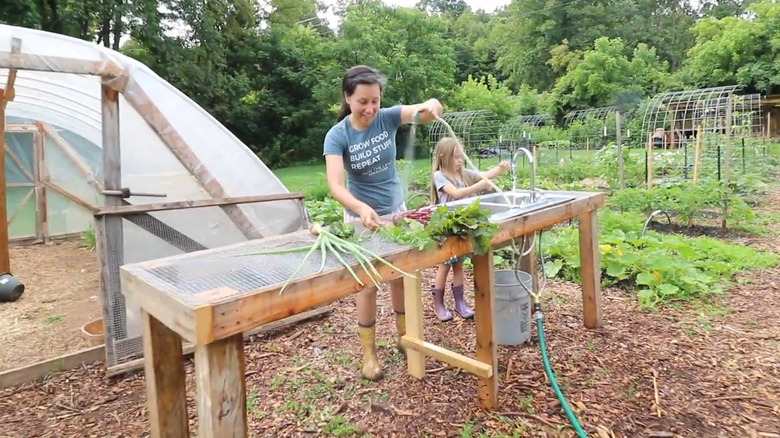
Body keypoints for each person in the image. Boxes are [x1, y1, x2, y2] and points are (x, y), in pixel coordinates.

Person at [323, 65, 443, 381]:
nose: (370, 108)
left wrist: (432, 104)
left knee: (400, 277)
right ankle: (369, 353)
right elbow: (335, 185)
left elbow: (424, 112)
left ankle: (405, 339)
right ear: (348, 98)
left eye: (375, 100)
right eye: (363, 101)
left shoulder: (387, 117)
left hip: (395, 212)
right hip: (360, 216)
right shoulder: (337, 136)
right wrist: (361, 208)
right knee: (367, 285)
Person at [429, 137, 511, 321]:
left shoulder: (463, 173)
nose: (460, 161)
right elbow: (456, 194)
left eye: (461, 157)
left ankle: (460, 303)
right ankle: (439, 304)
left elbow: (484, 175)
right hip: (447, 226)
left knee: (458, 265)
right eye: (456, 157)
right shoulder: (440, 175)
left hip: (462, 226)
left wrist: (500, 168)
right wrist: (478, 186)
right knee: (444, 266)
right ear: (444, 157)